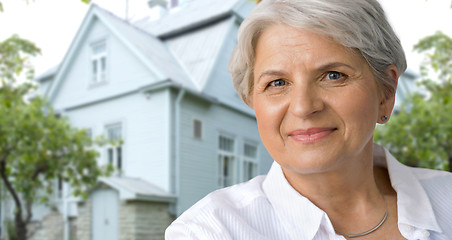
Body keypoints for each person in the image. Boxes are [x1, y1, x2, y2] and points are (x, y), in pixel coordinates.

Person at [165, 0, 452, 239]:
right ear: (254, 103)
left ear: (386, 93)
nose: (303, 107)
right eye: (277, 83)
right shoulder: (208, 231)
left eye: (333, 75)